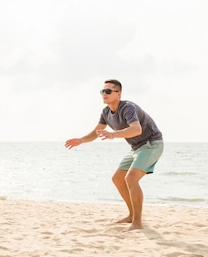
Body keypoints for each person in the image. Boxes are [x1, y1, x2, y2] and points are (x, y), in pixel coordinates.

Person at [64, 79, 163, 232]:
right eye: (103, 91)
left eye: (108, 91)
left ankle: (137, 223)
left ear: (118, 94)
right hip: (136, 147)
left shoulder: (128, 107)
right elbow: (96, 132)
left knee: (131, 178)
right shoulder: (105, 112)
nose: (104, 94)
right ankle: (131, 215)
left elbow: (136, 130)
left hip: (152, 144)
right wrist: (81, 140)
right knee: (117, 178)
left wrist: (113, 135)